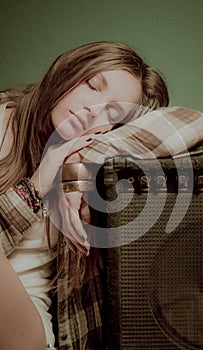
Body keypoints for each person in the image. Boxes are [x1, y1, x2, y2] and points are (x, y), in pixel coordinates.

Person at [0, 41, 170, 349]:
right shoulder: (3, 123)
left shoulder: (91, 156)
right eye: (93, 86)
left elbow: (194, 121)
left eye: (113, 112)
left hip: (24, 334)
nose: (94, 110)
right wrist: (36, 185)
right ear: (69, 69)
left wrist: (76, 163)